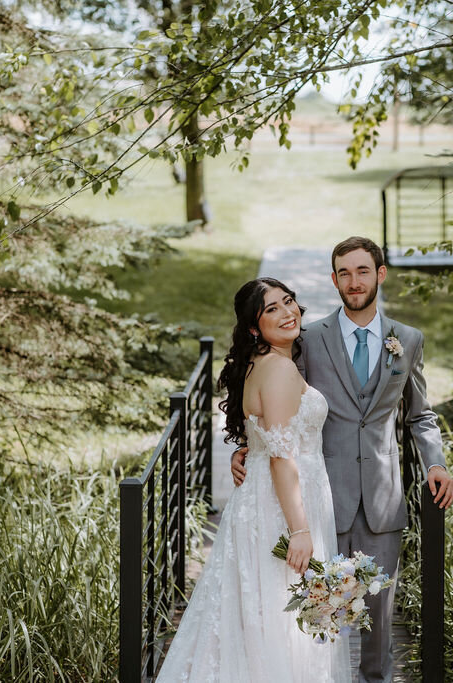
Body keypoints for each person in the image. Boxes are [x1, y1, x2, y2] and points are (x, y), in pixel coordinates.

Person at [232, 237, 453, 683]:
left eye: (363, 271)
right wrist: (249, 445)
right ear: (333, 280)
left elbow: (420, 414)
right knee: (315, 614)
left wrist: (435, 462)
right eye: (345, 273)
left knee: (379, 621)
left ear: (380, 274)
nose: (354, 282)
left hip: (381, 498)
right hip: (320, 498)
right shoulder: (309, 339)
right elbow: (279, 401)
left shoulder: (407, 341)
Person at [156, 277, 350, 683]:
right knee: (280, 619)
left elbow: (267, 437)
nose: (287, 312)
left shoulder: (263, 363)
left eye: (289, 302)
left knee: (264, 614)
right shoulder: (278, 368)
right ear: (252, 327)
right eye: (271, 309)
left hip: (275, 496)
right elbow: (281, 457)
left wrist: (248, 449)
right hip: (282, 508)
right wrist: (299, 529)